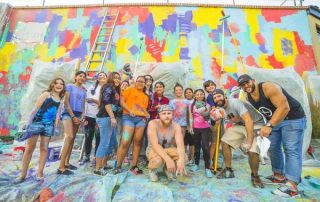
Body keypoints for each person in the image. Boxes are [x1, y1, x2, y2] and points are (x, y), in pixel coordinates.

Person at [238, 74, 306, 197]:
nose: (246, 86)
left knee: (291, 149)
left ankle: (292, 186)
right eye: (242, 85)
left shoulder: (268, 87)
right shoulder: (248, 97)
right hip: (275, 121)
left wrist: (269, 125)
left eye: (247, 82)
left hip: (293, 118)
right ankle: (279, 175)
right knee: (273, 147)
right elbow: (250, 115)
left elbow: (284, 107)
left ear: (253, 81)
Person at [14, 78, 65, 183]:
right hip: (36, 123)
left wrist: (55, 127)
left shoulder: (60, 99)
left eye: (61, 84)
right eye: (57, 83)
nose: (59, 85)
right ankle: (22, 175)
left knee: (44, 149)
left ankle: (40, 173)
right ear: (52, 84)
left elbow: (57, 114)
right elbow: (35, 109)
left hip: (48, 126)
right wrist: (28, 124)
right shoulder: (46, 94)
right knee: (29, 148)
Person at [212, 89, 265, 188]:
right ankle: (228, 170)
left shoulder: (235, 103)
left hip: (255, 123)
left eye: (219, 96)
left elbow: (248, 120)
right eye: (214, 98)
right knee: (225, 141)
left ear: (224, 96)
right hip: (240, 124)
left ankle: (255, 176)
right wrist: (219, 119)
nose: (217, 99)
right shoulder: (222, 109)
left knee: (252, 151)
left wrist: (249, 141)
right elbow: (234, 119)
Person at [115, 76, 149, 174]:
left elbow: (143, 108)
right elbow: (121, 101)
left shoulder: (145, 96)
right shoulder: (129, 89)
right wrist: (130, 110)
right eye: (139, 81)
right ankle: (118, 166)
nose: (141, 83)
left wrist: (145, 114)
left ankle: (134, 166)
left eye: (143, 82)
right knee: (125, 141)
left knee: (138, 142)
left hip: (140, 121)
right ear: (135, 82)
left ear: (145, 84)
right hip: (128, 118)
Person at [146, 105, 187, 182]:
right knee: (158, 160)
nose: (167, 116)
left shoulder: (176, 126)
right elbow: (155, 145)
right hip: (153, 149)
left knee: (184, 157)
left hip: (168, 148)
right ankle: (152, 170)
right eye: (164, 113)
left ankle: (167, 170)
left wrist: (181, 160)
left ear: (172, 115)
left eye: (169, 113)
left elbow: (180, 145)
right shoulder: (153, 123)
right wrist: (168, 160)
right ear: (159, 115)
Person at [57, 71, 87, 175]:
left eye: (84, 77)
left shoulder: (84, 91)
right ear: (75, 77)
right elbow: (66, 102)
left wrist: (82, 116)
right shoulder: (69, 86)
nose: (82, 78)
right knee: (69, 136)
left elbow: (83, 106)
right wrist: (73, 116)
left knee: (72, 138)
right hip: (68, 113)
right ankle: (61, 167)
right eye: (80, 76)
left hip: (78, 115)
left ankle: (67, 163)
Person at [94, 72, 121, 175]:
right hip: (105, 117)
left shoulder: (114, 89)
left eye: (118, 78)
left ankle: (104, 164)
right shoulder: (108, 87)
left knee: (111, 142)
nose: (117, 80)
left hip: (109, 118)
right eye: (115, 78)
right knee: (104, 142)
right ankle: (97, 168)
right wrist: (112, 117)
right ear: (110, 78)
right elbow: (106, 103)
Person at [82, 72, 107, 163]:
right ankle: (87, 156)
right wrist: (84, 115)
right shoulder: (91, 87)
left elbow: (105, 104)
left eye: (104, 76)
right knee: (88, 136)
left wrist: (93, 100)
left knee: (98, 137)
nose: (102, 77)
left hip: (100, 116)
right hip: (89, 115)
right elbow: (85, 101)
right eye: (100, 76)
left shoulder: (107, 89)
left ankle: (97, 157)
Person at [189, 89, 213, 178]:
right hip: (196, 128)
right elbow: (191, 117)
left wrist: (205, 113)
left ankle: (207, 168)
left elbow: (208, 117)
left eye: (201, 94)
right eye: (197, 94)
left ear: (204, 95)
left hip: (206, 129)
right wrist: (191, 127)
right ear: (195, 96)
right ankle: (196, 164)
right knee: (197, 147)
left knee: (206, 147)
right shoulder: (192, 105)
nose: (199, 95)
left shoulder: (208, 105)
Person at [203, 80, 218, 170]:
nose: (210, 87)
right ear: (206, 89)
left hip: (220, 120)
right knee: (213, 142)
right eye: (208, 86)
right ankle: (210, 163)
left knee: (217, 143)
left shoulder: (219, 94)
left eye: (212, 85)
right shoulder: (209, 97)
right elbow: (214, 108)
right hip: (214, 121)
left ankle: (214, 162)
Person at [184, 88, 195, 165]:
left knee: (192, 142)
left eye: (190, 92)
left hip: (193, 125)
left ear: (192, 93)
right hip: (184, 125)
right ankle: (185, 158)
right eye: (186, 93)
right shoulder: (183, 102)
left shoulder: (195, 102)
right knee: (184, 142)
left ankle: (192, 158)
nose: (188, 94)